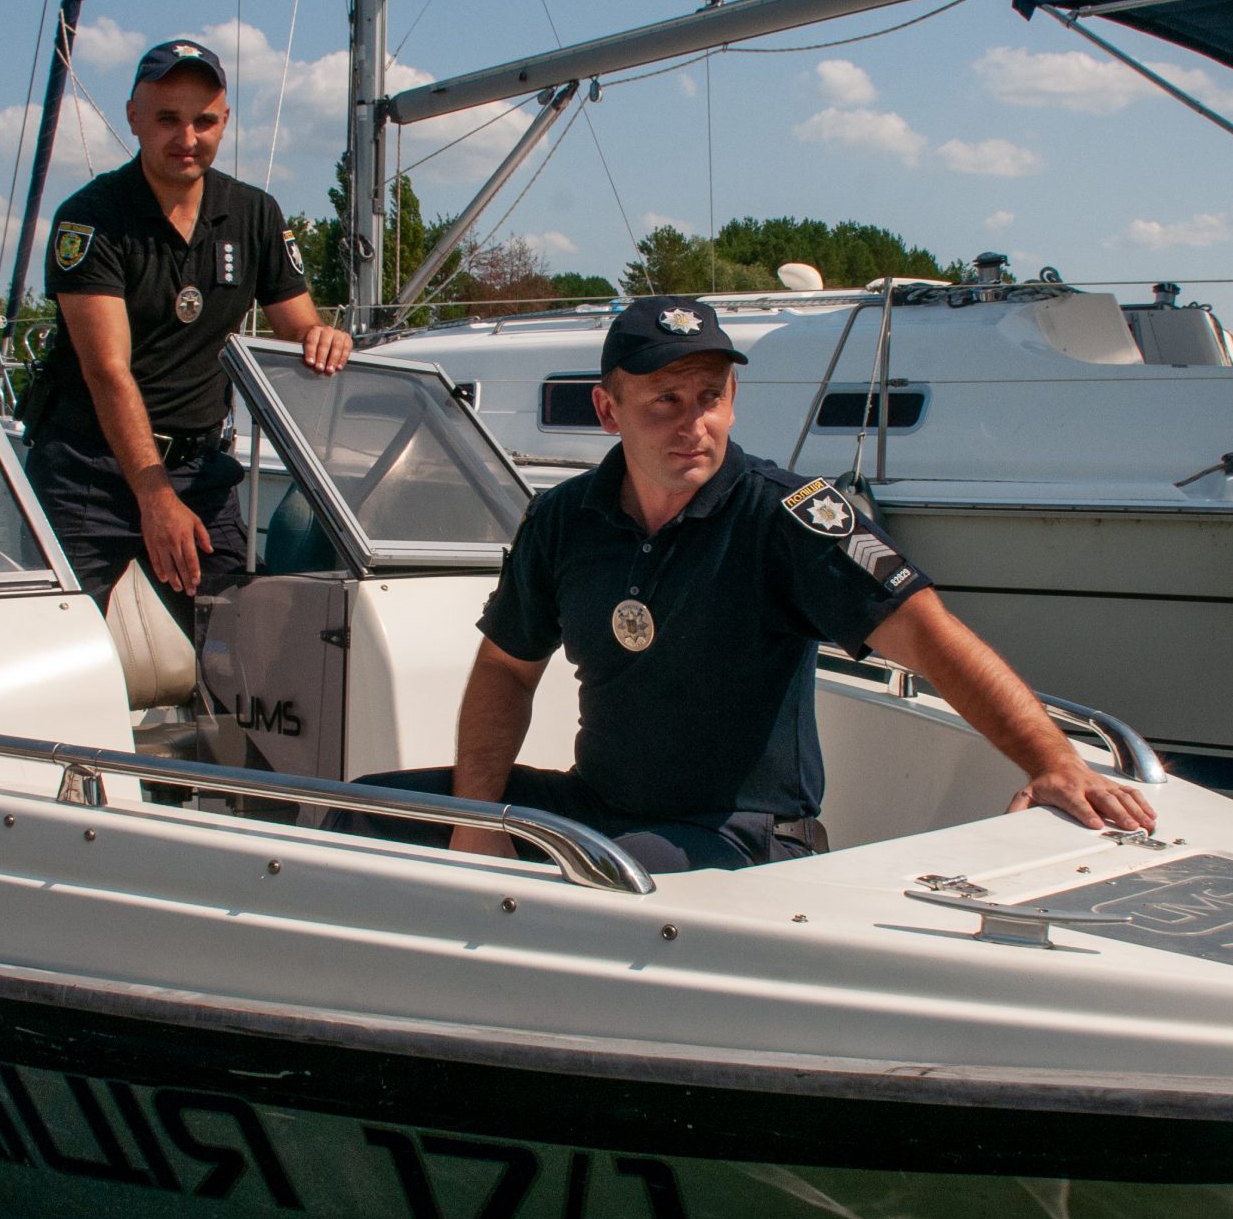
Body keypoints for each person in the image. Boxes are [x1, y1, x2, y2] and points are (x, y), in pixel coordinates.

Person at [364, 295, 1154, 873]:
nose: (694, 423)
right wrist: (477, 819)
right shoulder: (564, 520)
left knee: (595, 876)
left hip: (742, 835)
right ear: (608, 410)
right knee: (363, 817)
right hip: (598, 807)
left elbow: (932, 637)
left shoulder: (793, 518)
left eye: (710, 397)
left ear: (733, 401)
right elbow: (506, 670)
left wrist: (1052, 761)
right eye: (665, 400)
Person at [24, 37, 352, 621]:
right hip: (87, 471)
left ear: (224, 121)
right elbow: (107, 370)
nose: (188, 137)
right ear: (134, 118)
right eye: (167, 119)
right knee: (61, 644)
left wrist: (320, 337)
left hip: (196, 471)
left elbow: (297, 324)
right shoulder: (90, 218)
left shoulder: (254, 214)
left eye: (204, 121)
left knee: (246, 642)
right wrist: (155, 498)